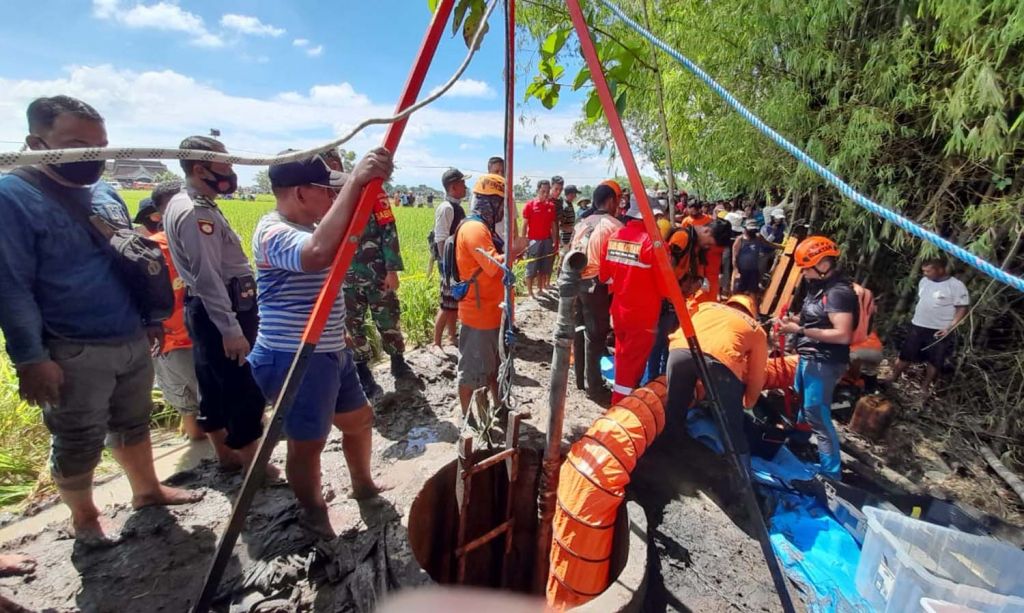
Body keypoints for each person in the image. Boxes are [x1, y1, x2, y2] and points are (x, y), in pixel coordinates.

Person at [0, 96, 200, 543]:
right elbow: (10, 286)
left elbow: (131, 258)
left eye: (101, 146)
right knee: (78, 435)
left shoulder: (105, 193)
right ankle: (85, 517)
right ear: (36, 142)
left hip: (131, 332)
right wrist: (31, 358)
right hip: (72, 344)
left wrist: (150, 317)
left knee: (133, 420)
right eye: (77, 144)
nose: (93, 156)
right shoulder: (12, 198)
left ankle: (147, 490)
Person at [249, 151, 392, 537]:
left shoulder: (311, 226)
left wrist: (363, 182)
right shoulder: (273, 231)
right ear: (298, 193)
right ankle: (313, 511)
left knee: (359, 420)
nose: (332, 200)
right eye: (325, 192)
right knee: (308, 444)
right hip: (293, 356)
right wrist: (355, 181)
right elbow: (315, 255)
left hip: (329, 351)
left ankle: (362, 484)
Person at [164, 135, 272, 475]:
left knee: (212, 382)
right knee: (241, 386)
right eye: (224, 164)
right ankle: (253, 464)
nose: (230, 171)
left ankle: (226, 457)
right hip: (222, 309)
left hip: (206, 308)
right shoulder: (196, 213)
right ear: (200, 168)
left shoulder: (184, 203)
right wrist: (230, 329)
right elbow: (208, 275)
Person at [327, 151, 414, 400]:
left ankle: (398, 362)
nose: (332, 168)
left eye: (335, 164)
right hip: (344, 278)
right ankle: (362, 372)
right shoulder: (323, 197)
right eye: (327, 165)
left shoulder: (372, 190)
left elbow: (389, 230)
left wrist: (392, 269)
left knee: (387, 319)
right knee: (351, 327)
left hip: (377, 273)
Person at [777, 237, 857, 478]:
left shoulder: (839, 293)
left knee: (816, 412)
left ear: (822, 264)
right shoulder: (819, 289)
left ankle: (831, 473)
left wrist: (799, 331)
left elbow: (842, 333)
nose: (803, 272)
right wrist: (792, 322)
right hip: (810, 355)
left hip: (825, 359)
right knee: (802, 399)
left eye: (806, 267)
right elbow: (815, 320)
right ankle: (799, 442)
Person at [134, 183, 204, 441]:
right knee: (227, 402)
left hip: (172, 341)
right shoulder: (203, 236)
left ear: (154, 217)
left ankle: (213, 458)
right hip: (212, 334)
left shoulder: (147, 249)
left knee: (191, 414)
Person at [454, 174, 528, 414]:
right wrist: (515, 250)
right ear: (491, 203)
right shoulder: (475, 228)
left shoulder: (483, 228)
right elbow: (493, 267)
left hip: (493, 311)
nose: (503, 212)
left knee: (495, 367)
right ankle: (468, 419)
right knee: (472, 371)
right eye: (502, 205)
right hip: (480, 315)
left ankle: (497, 406)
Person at [665, 294, 769, 455]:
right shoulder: (756, 328)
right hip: (722, 362)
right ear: (752, 313)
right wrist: (748, 401)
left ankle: (668, 453)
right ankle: (740, 470)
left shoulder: (707, 306)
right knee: (732, 425)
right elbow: (757, 374)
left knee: (674, 408)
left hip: (680, 349)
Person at [600, 192, 672, 403]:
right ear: (653, 216)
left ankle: (626, 398)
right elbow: (667, 289)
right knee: (631, 367)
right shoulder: (655, 245)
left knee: (623, 359)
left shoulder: (613, 238)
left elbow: (605, 277)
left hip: (619, 313)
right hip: (643, 317)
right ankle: (621, 406)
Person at [569, 184, 622, 402]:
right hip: (597, 285)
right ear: (610, 201)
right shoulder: (614, 226)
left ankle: (580, 379)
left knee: (580, 330)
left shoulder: (582, 223)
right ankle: (595, 386)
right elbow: (615, 263)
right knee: (596, 335)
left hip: (575, 282)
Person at [888, 258, 969, 391]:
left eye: (928, 271)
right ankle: (893, 377)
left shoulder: (956, 286)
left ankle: (924, 387)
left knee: (935, 360)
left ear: (940, 270)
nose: (925, 274)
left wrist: (950, 327)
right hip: (918, 325)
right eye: (924, 271)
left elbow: (962, 308)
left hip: (940, 329)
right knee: (906, 353)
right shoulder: (924, 281)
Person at [432, 168, 469, 350]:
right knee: (446, 306)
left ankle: (451, 337)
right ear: (453, 187)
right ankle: (436, 342)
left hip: (456, 265)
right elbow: (440, 239)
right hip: (449, 267)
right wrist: (447, 268)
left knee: (453, 304)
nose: (465, 187)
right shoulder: (446, 208)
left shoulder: (457, 207)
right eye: (462, 183)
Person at [521, 179, 558, 297]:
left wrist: (555, 239)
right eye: (543, 191)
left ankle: (540, 289)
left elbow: (553, 224)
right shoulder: (530, 205)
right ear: (538, 190)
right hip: (533, 241)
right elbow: (524, 224)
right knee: (531, 267)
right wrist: (524, 240)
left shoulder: (551, 206)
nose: (545, 194)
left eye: (547, 191)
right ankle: (530, 293)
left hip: (547, 240)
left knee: (544, 266)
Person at [732, 218, 770, 294]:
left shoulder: (758, 237)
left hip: (753, 270)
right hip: (742, 270)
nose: (752, 231)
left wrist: (781, 247)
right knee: (739, 292)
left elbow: (768, 244)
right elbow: (734, 256)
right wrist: (736, 270)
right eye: (750, 230)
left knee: (753, 291)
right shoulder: (740, 239)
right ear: (745, 228)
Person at [557, 181, 578, 255]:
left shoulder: (569, 204)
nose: (575, 196)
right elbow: (559, 225)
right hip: (564, 239)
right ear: (570, 194)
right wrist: (571, 229)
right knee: (563, 257)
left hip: (569, 237)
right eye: (574, 194)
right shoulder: (564, 206)